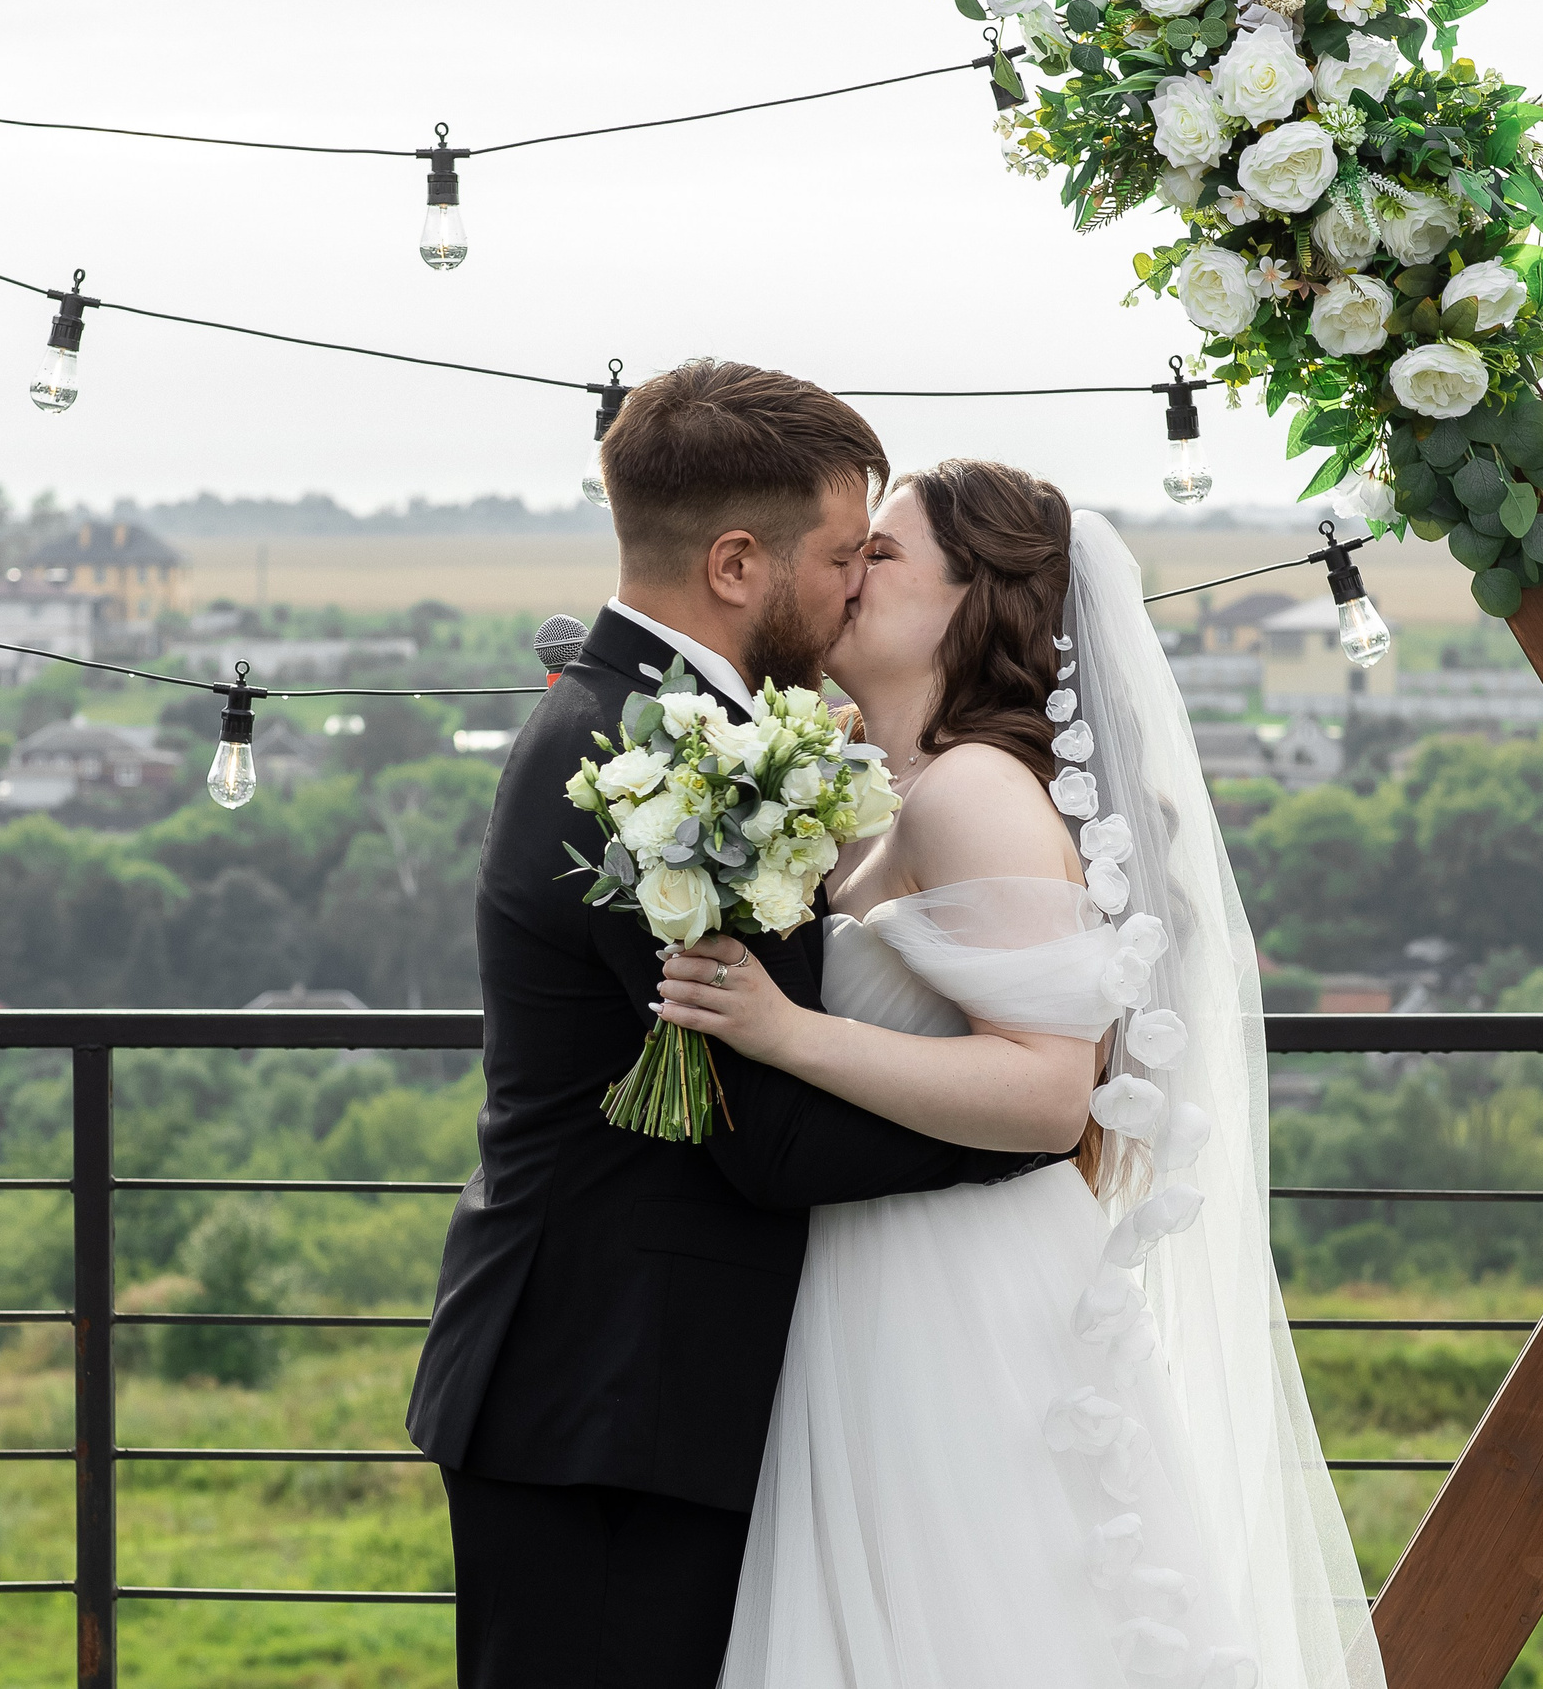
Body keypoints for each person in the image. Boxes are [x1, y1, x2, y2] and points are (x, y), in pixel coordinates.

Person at [655, 460, 1386, 1688]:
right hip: (891, 1267)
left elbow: (1050, 1093)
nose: (846, 576)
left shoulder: (974, 794)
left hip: (955, 1292)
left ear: (973, 600)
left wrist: (783, 1032)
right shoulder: (901, 791)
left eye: (880, 556)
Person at [407, 363, 1057, 1689]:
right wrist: (1044, 1120)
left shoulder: (636, 724)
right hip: (609, 1396)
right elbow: (762, 1138)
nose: (854, 588)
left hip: (617, 1384)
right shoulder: (662, 770)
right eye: (838, 556)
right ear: (737, 561)